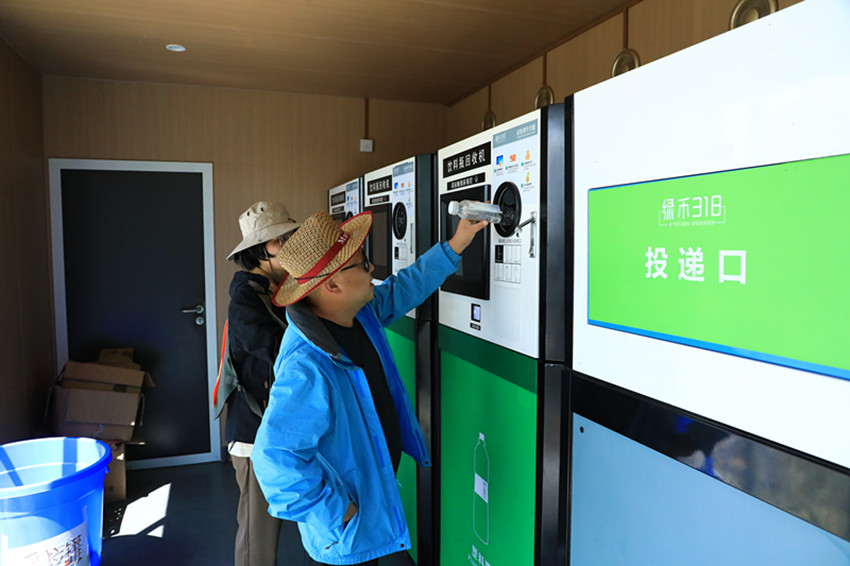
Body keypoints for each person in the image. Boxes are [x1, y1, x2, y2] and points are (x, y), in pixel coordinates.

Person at [251, 210, 487, 565]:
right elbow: (274, 459)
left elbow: (403, 288)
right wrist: (340, 513)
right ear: (332, 285)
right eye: (362, 265)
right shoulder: (308, 365)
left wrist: (456, 244)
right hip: (346, 528)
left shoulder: (358, 316)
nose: (372, 269)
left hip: (364, 505)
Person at [225, 201, 303, 566]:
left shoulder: (276, 289)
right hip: (254, 433)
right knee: (259, 530)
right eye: (278, 240)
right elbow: (276, 349)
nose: (287, 245)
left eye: (288, 237)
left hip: (278, 424)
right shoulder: (246, 298)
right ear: (259, 251)